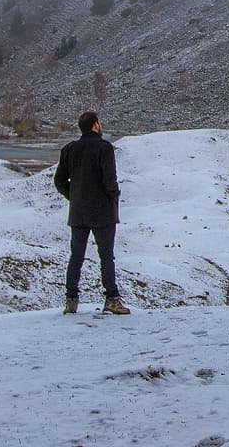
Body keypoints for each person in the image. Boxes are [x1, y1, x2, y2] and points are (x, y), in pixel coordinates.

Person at [54, 110, 129, 314]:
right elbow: (109, 180)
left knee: (76, 256)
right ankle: (112, 299)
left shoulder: (69, 149)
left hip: (78, 212)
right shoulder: (104, 148)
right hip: (103, 211)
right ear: (96, 125)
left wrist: (75, 197)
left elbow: (59, 180)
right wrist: (113, 198)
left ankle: (71, 301)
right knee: (106, 256)